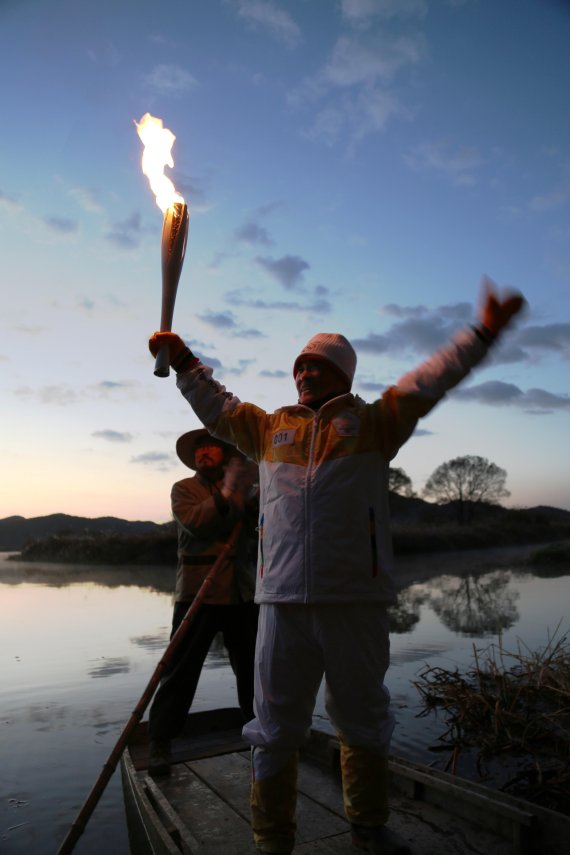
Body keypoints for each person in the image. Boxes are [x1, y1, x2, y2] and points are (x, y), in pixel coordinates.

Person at [148, 279, 525, 854]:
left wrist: (482, 334)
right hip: (280, 604)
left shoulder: (376, 424)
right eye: (299, 366)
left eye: (317, 366)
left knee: (362, 719)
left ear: (343, 374)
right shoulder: (269, 428)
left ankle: (367, 824)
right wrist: (183, 361)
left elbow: (431, 380)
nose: (304, 374)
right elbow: (217, 406)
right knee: (272, 727)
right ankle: (272, 840)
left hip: (355, 599)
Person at [148, 429, 259, 777]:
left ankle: (261, 731)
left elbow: (264, 519)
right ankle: (160, 742)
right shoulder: (184, 490)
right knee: (180, 670)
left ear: (226, 455)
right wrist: (230, 491)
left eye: (210, 446)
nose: (202, 452)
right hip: (198, 592)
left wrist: (250, 484)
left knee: (254, 669)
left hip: (241, 593)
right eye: (199, 449)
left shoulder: (246, 491)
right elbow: (198, 524)